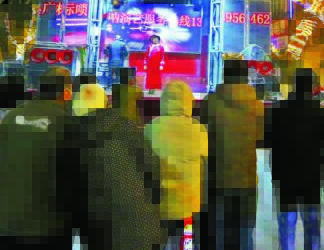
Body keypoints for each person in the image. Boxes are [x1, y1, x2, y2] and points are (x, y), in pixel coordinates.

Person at [0, 66, 78, 249]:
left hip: (3, 222)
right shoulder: (66, 123)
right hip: (45, 228)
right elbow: (74, 177)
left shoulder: (12, 117)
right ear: (66, 92)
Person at [72, 83, 163, 250]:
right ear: (106, 104)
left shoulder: (73, 138)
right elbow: (153, 169)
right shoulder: (126, 127)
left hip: (104, 234)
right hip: (142, 228)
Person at [268, 69, 324, 250]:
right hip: (312, 176)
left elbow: (269, 139)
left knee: (287, 223)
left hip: (285, 175)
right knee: (311, 223)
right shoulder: (322, 113)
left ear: (293, 85)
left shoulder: (278, 110)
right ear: (313, 87)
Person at [199, 60, 264, 250]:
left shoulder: (210, 102)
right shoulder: (257, 106)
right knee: (244, 234)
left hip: (218, 179)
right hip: (246, 179)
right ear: (245, 77)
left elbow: (202, 131)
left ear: (224, 76)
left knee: (217, 233)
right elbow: (260, 137)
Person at [144, 80, 208, 250]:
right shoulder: (199, 130)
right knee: (186, 244)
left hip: (159, 207)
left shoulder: (151, 128)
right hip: (189, 207)